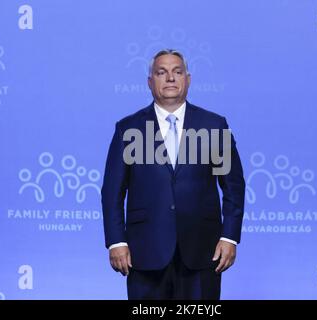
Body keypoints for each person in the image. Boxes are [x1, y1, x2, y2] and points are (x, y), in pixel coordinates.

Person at [101, 49, 245, 300]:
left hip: (203, 250)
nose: (170, 78)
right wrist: (116, 242)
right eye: (161, 72)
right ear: (150, 82)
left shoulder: (214, 125)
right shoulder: (128, 128)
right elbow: (112, 192)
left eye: (177, 72)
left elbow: (233, 187)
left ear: (187, 80)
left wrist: (230, 236)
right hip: (144, 251)